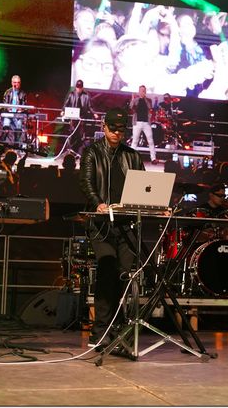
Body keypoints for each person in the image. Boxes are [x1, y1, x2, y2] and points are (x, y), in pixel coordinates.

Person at [78, 107, 145, 350]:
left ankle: (117, 328)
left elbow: (144, 185)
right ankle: (100, 332)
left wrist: (154, 206)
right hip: (101, 225)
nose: (117, 133)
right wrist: (98, 203)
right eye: (113, 128)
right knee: (107, 272)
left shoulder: (132, 156)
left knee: (123, 277)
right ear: (104, 127)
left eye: (121, 129)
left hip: (127, 225)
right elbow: (86, 181)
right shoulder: (92, 152)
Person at [62, 79, 98, 157]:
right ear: (76, 87)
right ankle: (71, 151)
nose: (79, 89)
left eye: (80, 88)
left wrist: (94, 113)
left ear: (82, 88)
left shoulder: (86, 95)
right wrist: (63, 111)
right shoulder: (72, 94)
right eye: (78, 87)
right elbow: (66, 104)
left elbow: (90, 106)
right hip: (73, 118)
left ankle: (79, 152)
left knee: (81, 135)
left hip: (82, 118)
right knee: (72, 134)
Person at [129, 85, 158, 163]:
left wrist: (144, 98)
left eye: (144, 90)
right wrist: (133, 98)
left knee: (150, 141)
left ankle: (153, 158)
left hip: (146, 123)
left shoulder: (148, 100)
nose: (143, 92)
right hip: (137, 122)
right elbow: (131, 107)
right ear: (139, 91)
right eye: (141, 90)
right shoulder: (135, 100)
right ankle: (131, 158)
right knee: (135, 140)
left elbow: (150, 107)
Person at [0, 74, 27, 143]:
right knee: (5, 128)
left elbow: (25, 105)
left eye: (18, 82)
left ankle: (16, 145)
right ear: (12, 83)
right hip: (8, 114)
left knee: (18, 129)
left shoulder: (23, 93)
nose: (16, 84)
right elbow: (4, 103)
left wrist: (21, 109)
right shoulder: (8, 92)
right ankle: (0, 144)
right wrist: (8, 108)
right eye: (15, 82)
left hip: (18, 115)